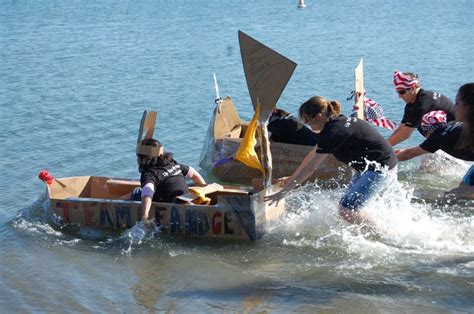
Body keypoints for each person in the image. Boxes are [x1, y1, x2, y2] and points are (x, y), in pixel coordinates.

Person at [265, 96, 397, 232]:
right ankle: (369, 229)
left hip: (381, 168)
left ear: (318, 116)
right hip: (373, 166)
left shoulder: (332, 133)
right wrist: (292, 177)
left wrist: (283, 192)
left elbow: (310, 168)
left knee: (346, 209)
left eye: (307, 119)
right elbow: (311, 155)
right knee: (348, 206)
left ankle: (384, 234)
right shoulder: (336, 122)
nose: (306, 123)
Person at [396, 83, 474, 198]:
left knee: (454, 195)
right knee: (460, 191)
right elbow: (408, 152)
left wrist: (382, 155)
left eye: (457, 103)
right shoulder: (451, 129)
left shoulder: (439, 136)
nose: (454, 107)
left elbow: (408, 154)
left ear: (468, 107)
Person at [136, 138, 207, 222]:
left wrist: (145, 217)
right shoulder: (172, 164)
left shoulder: (149, 173)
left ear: (143, 160)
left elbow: (148, 191)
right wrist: (204, 189)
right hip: (186, 197)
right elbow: (192, 172)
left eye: (138, 157)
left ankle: (117, 201)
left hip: (172, 204)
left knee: (136, 192)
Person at [387, 71, 455, 146]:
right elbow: (400, 130)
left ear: (413, 87)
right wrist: (382, 146)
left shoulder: (421, 105)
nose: (399, 96)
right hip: (445, 137)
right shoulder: (413, 103)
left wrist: (382, 149)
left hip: (456, 139)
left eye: (402, 92)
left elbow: (405, 134)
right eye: (397, 92)